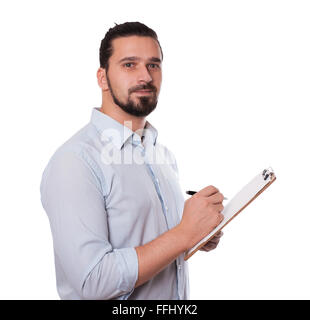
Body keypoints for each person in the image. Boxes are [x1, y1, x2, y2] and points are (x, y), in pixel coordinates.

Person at [40, 21, 224, 300]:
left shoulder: (162, 156)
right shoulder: (75, 162)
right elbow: (93, 282)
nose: (146, 77)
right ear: (102, 78)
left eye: (153, 65)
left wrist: (197, 235)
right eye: (129, 65)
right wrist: (184, 235)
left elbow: (159, 245)